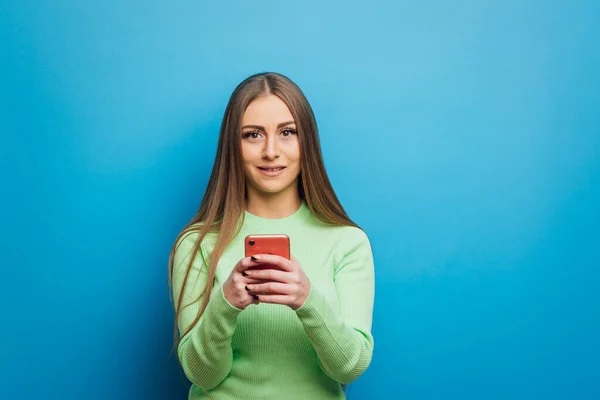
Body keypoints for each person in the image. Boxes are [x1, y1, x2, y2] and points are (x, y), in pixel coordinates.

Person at [168, 72, 375, 399]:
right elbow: (202, 374)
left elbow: (349, 367)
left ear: (306, 140)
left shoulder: (347, 242)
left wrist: (307, 300)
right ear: (232, 147)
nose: (270, 151)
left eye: (287, 132)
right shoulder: (197, 244)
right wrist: (226, 304)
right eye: (252, 135)